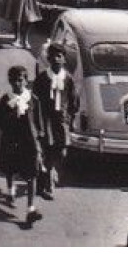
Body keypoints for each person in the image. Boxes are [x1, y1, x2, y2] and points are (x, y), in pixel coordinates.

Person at [0, 64, 44, 219]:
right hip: (11, 139)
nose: (17, 84)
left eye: (20, 80)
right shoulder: (5, 99)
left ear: (26, 81)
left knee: (32, 173)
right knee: (10, 167)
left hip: (29, 140)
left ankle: (31, 209)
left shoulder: (33, 99)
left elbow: (39, 120)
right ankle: (11, 190)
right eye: (14, 81)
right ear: (9, 82)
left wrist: (40, 137)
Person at [32, 42, 79, 199]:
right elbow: (35, 100)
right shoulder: (42, 78)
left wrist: (71, 119)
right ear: (48, 59)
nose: (56, 59)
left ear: (64, 59)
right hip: (45, 119)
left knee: (61, 151)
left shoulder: (68, 79)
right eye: (52, 56)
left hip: (61, 120)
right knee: (46, 150)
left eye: (59, 56)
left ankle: (50, 172)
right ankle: (47, 183)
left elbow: (73, 100)